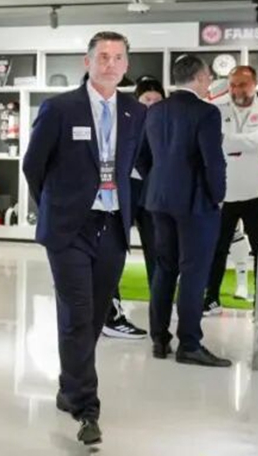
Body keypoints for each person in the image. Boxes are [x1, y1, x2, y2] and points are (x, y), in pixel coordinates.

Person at [23, 32, 147, 446]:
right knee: (78, 313)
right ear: (87, 62)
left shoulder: (134, 111)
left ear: (126, 65)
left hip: (111, 226)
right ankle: (86, 407)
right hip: (70, 229)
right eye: (103, 56)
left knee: (93, 316)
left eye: (118, 58)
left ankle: (69, 386)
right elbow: (33, 165)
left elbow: (136, 165)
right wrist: (57, 208)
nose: (110, 64)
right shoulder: (60, 108)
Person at [137, 55, 230, 369]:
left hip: (159, 200)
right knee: (193, 272)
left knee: (164, 268)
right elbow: (213, 160)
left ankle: (159, 339)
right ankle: (189, 344)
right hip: (195, 203)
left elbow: (140, 156)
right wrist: (217, 196)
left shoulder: (154, 110)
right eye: (208, 78)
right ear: (201, 78)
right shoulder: (206, 112)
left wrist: (158, 180)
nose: (209, 82)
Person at [205, 66, 258, 313]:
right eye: (233, 85)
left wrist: (225, 142)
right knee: (215, 250)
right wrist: (246, 144)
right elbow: (210, 142)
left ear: (255, 84)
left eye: (243, 84)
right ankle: (210, 298)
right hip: (222, 193)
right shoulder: (214, 109)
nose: (237, 90)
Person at [101, 79, 165, 340]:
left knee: (158, 253)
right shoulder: (124, 120)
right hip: (123, 192)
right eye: (146, 100)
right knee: (113, 252)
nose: (151, 105)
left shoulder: (166, 123)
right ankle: (111, 313)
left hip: (153, 196)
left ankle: (160, 309)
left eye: (157, 100)